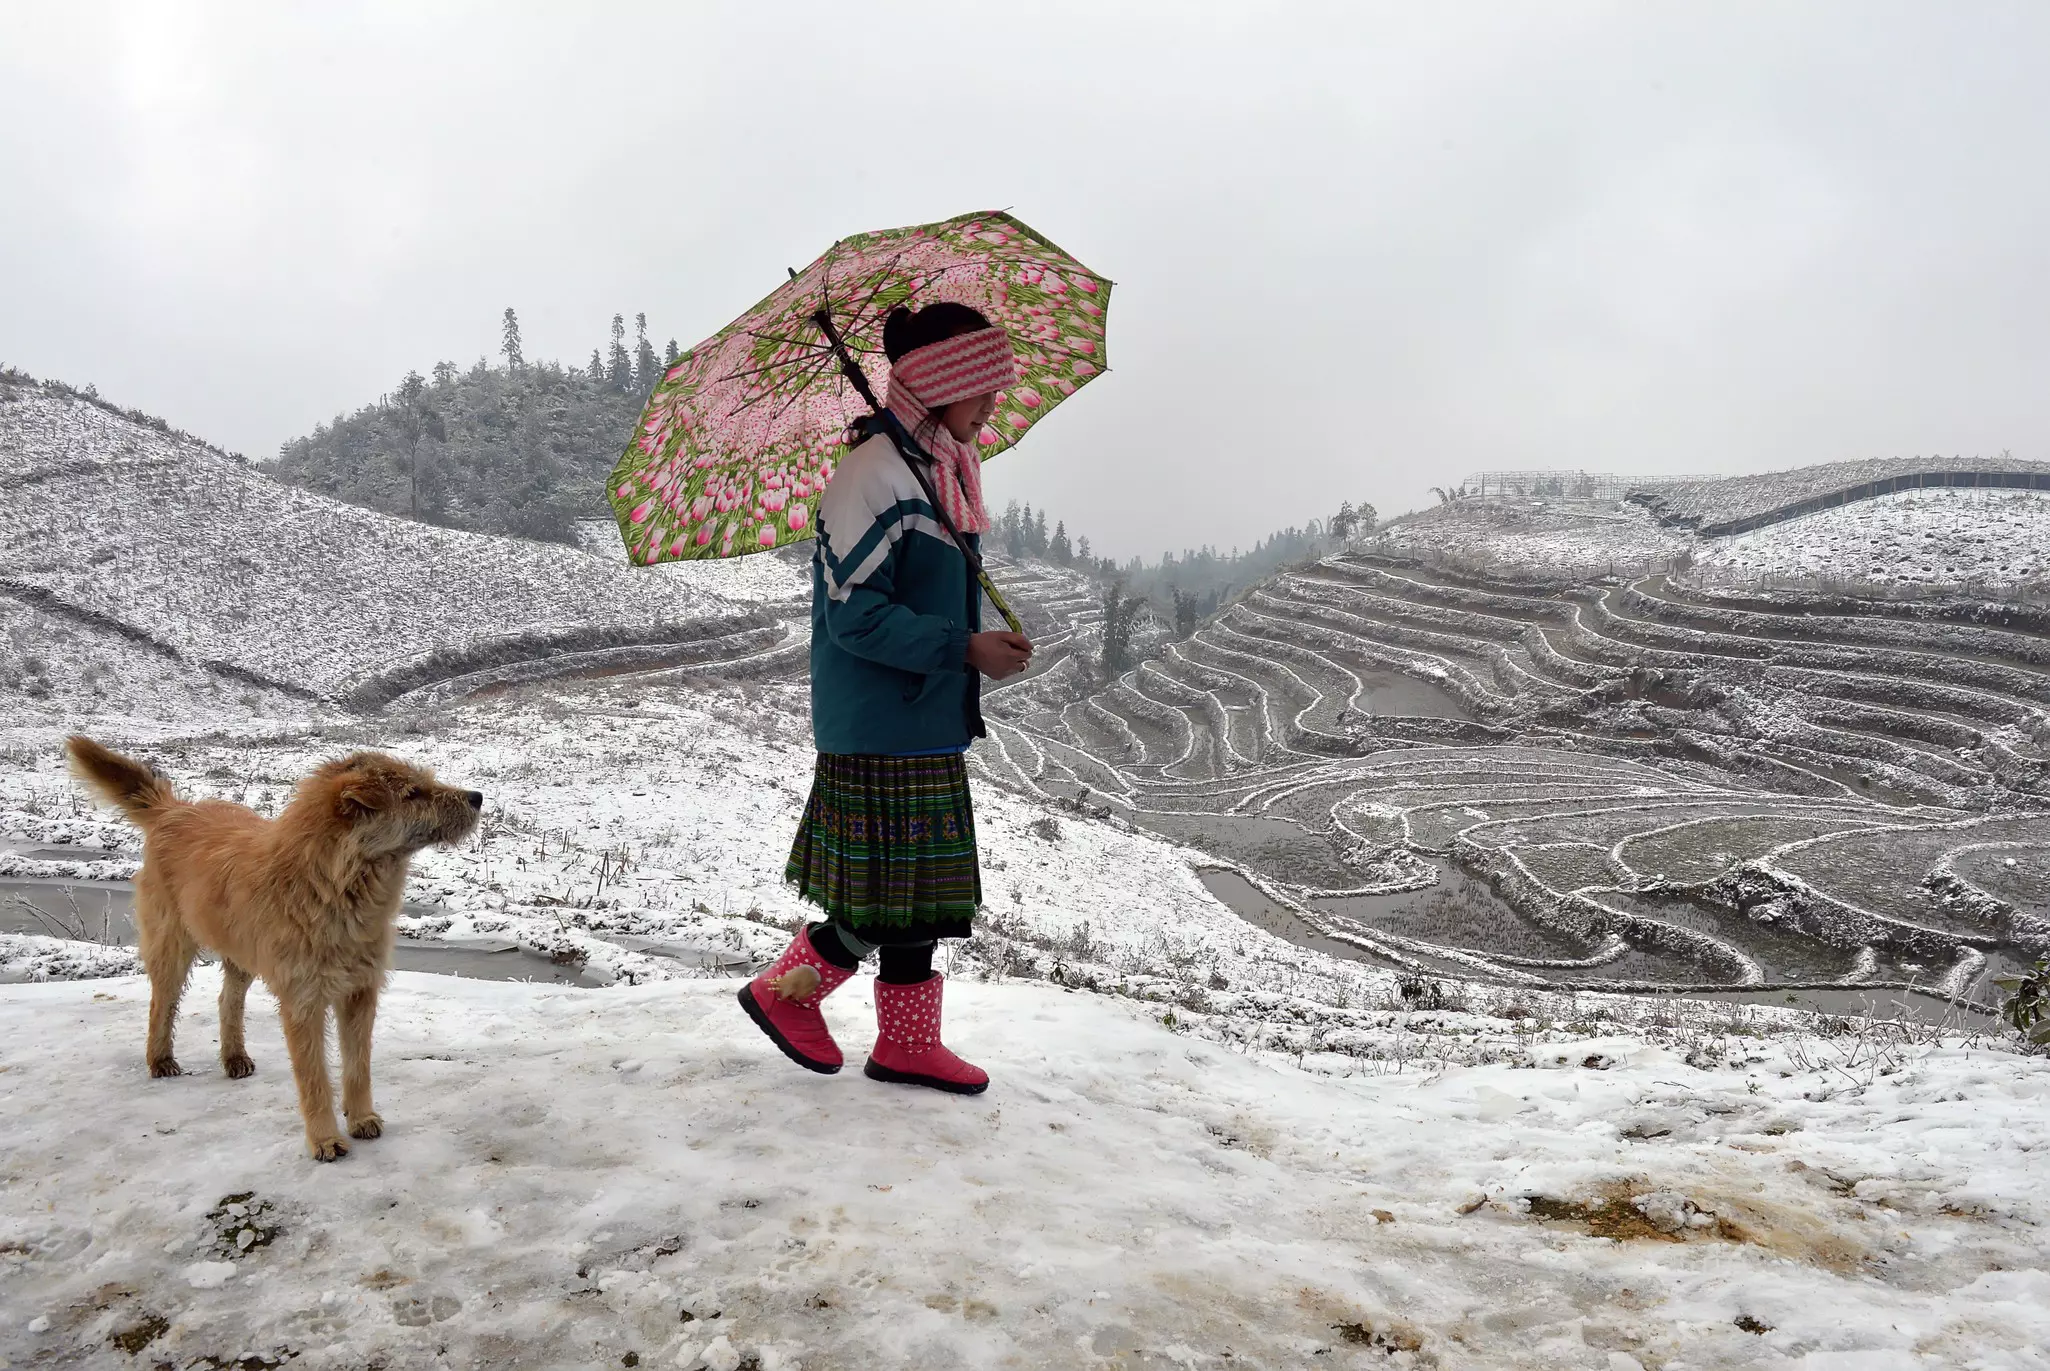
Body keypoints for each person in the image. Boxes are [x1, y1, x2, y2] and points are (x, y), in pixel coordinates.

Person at [738, 301, 1034, 1095]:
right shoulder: (871, 476)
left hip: (925, 714)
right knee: (879, 901)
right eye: (984, 389)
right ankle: (782, 991)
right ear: (941, 386)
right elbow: (857, 617)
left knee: (918, 902)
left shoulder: (936, 473)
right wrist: (965, 646)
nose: (993, 405)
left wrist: (967, 647)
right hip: (881, 722)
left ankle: (908, 1044)